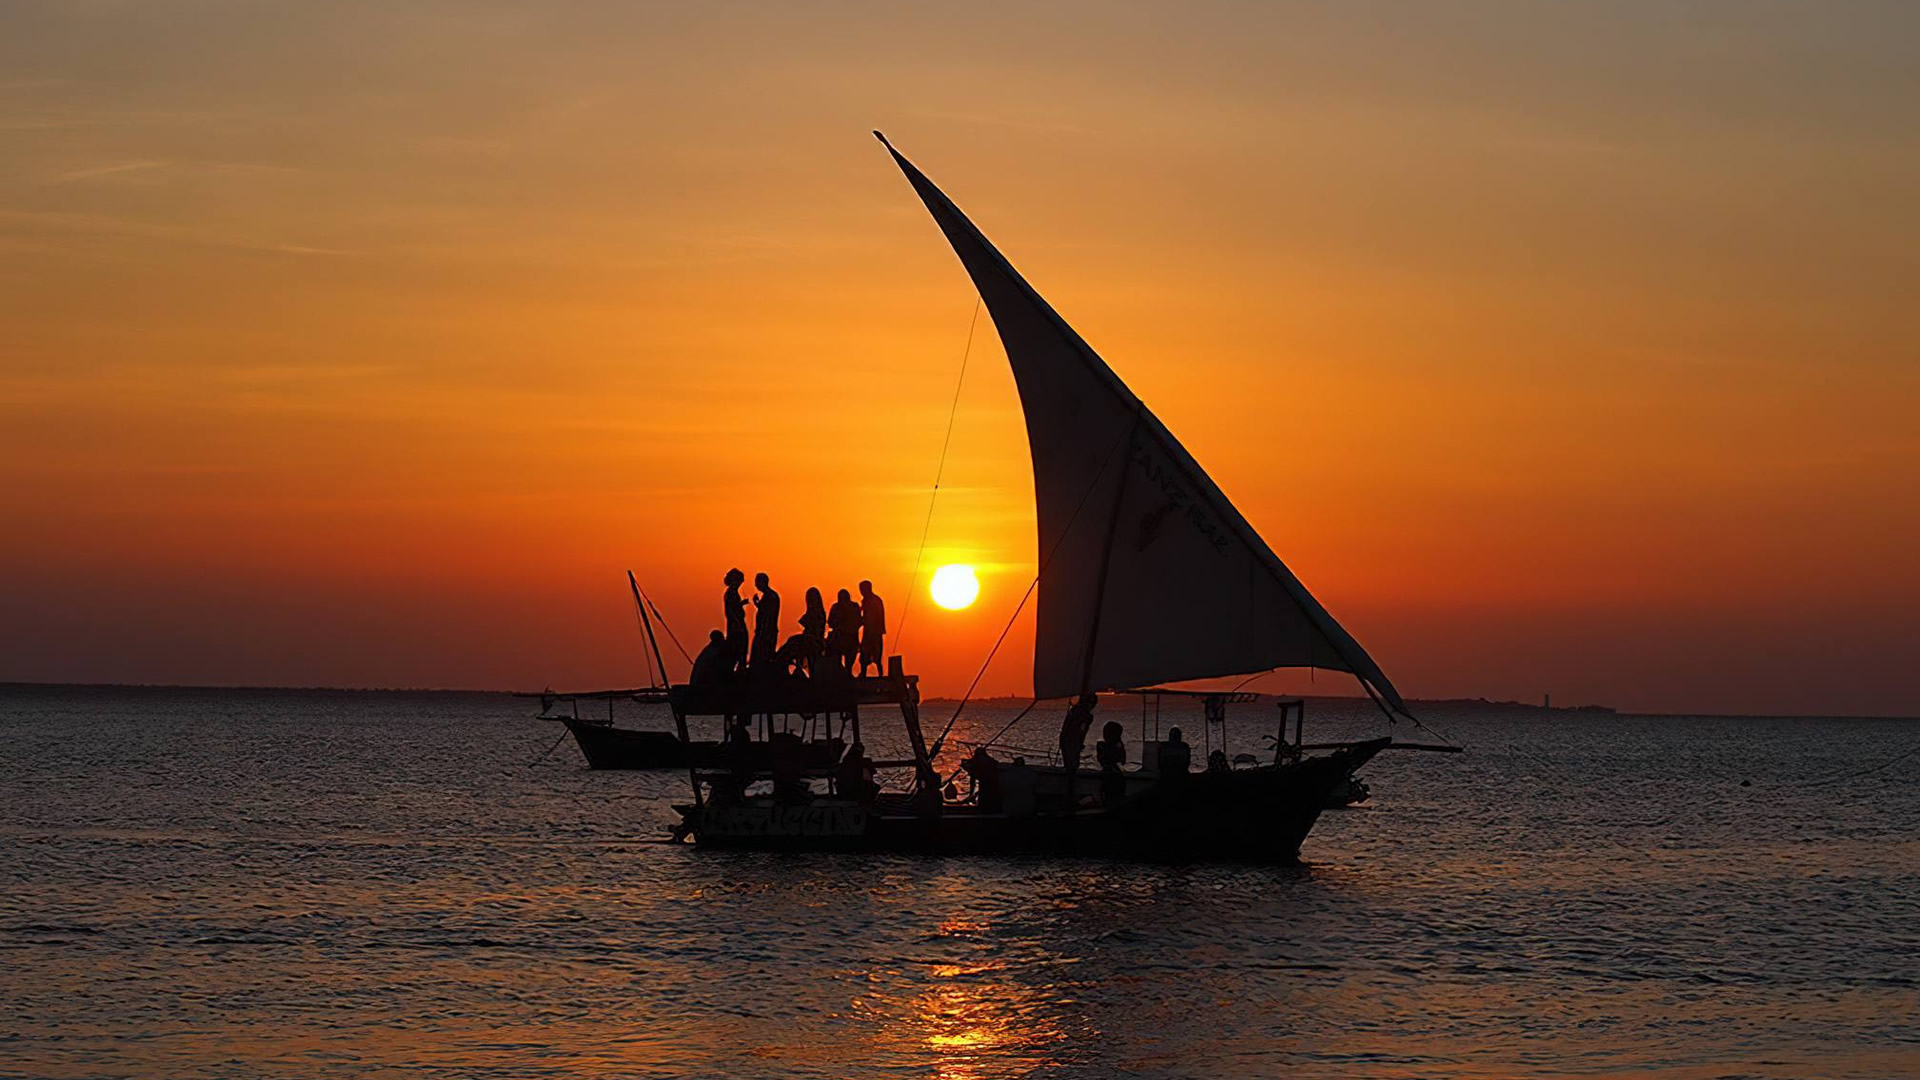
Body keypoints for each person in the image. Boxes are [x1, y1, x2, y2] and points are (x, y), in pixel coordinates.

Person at [750, 572, 780, 671]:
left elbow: (768, 613)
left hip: (767, 632)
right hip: (763, 631)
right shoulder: (769, 596)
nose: (756, 585)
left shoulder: (771, 596)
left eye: (757, 582)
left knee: (761, 656)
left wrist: (758, 604)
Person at [827, 588, 862, 674]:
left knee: (848, 660)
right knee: (839, 660)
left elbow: (858, 621)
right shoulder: (837, 607)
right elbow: (830, 622)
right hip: (840, 637)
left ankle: (846, 674)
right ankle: (843, 674)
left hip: (850, 637)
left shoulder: (853, 607)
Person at [1058, 693, 1096, 772]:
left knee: (1072, 763)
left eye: (1093, 703)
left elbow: (1081, 731)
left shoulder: (1077, 711)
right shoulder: (1081, 714)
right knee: (1072, 764)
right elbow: (1077, 729)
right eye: (1089, 703)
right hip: (1070, 740)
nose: (1091, 706)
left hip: (1069, 739)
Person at [722, 568, 749, 673]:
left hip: (736, 623)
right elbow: (731, 609)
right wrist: (737, 624)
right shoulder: (731, 593)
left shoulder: (732, 593)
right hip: (736, 625)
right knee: (738, 648)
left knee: (740, 648)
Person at [857, 580, 886, 677]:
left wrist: (860, 621)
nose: (861, 592)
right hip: (871, 632)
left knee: (874, 656)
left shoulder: (873, 601)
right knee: (866, 656)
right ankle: (865, 674)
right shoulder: (869, 600)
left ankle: (878, 676)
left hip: (874, 633)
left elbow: (870, 617)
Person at [1095, 720, 1127, 805]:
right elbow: (1122, 761)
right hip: (1114, 777)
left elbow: (1104, 760)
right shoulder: (1107, 746)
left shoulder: (1104, 746)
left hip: (1111, 777)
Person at [798, 587, 827, 671]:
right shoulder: (818, 612)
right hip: (813, 639)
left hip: (813, 639)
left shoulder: (815, 613)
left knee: (812, 661)